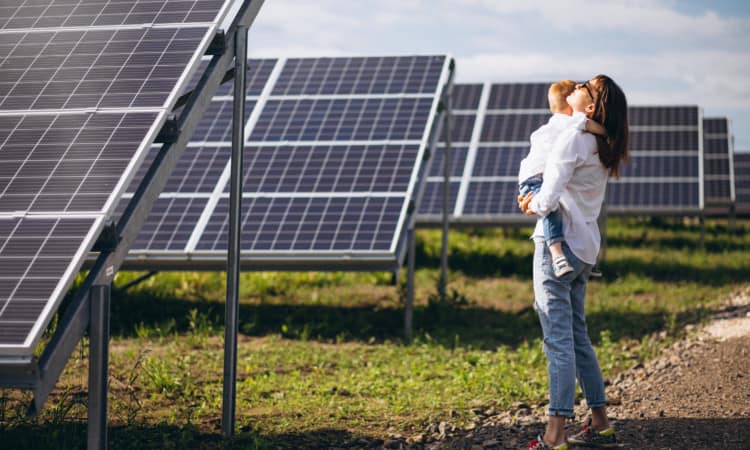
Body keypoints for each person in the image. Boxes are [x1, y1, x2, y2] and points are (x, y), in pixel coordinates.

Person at [518, 75, 629, 450]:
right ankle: (600, 422)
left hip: (559, 248)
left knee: (559, 342)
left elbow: (547, 197)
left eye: (585, 85)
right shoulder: (602, 142)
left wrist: (529, 204)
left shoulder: (572, 138)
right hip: (585, 249)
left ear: (592, 105)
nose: (577, 85)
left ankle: (554, 434)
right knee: (579, 338)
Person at [518, 80, 607, 278]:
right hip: (534, 178)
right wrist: (606, 131)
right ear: (568, 103)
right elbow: (586, 123)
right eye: (576, 88)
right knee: (552, 208)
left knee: (551, 206)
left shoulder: (558, 127)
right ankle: (557, 254)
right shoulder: (568, 123)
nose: (579, 88)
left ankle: (563, 254)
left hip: (530, 177)